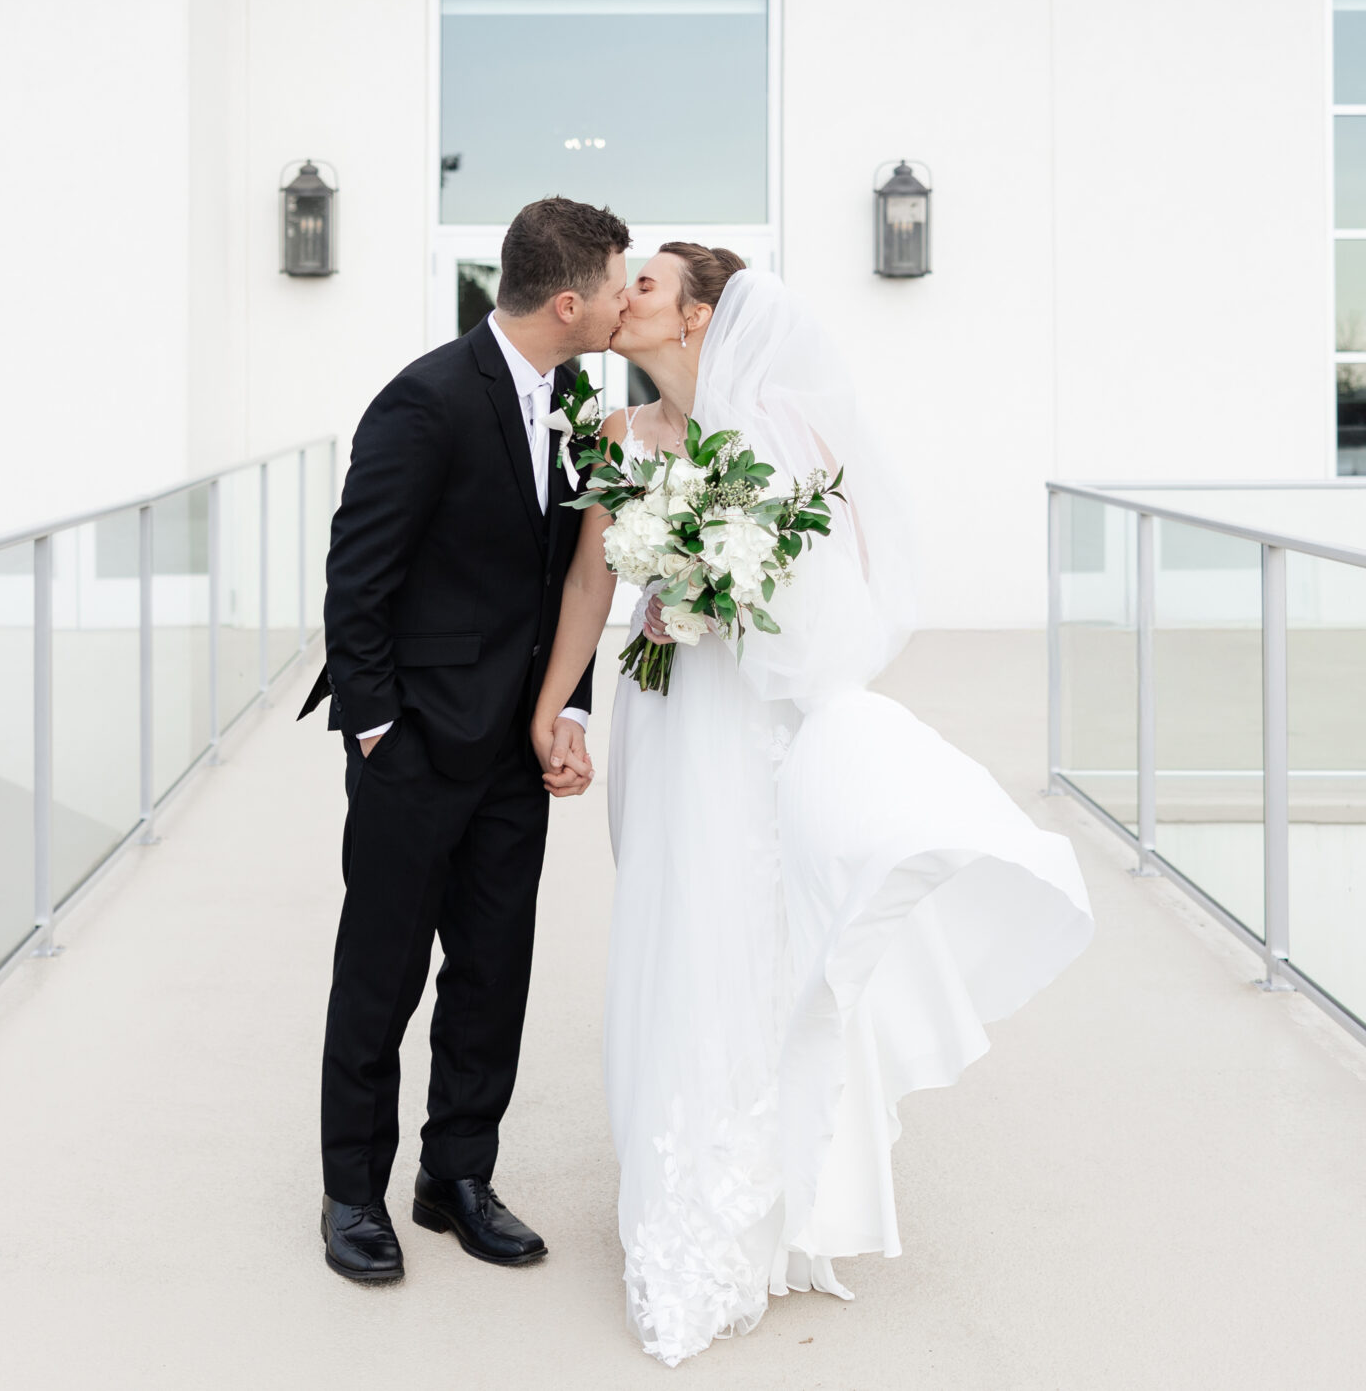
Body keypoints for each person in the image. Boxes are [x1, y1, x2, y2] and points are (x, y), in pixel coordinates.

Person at [529, 245, 1096, 1366]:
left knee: (745, 927)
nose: (622, 295)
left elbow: (852, 591)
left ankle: (754, 1200)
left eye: (645, 283)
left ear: (699, 317)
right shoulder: (613, 436)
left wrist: (717, 588)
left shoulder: (788, 433)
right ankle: (674, 1159)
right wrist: (562, 709)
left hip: (746, 721)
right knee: (665, 925)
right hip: (661, 715)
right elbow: (592, 580)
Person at [301, 196, 625, 1284]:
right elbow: (358, 578)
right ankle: (353, 1193)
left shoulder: (576, 399)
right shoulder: (427, 399)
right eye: (620, 283)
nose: (630, 301)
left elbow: (569, 579)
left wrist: (566, 710)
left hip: (514, 750)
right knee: (382, 971)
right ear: (570, 299)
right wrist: (381, 728)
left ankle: (457, 1178)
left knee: (493, 968)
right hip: (417, 743)